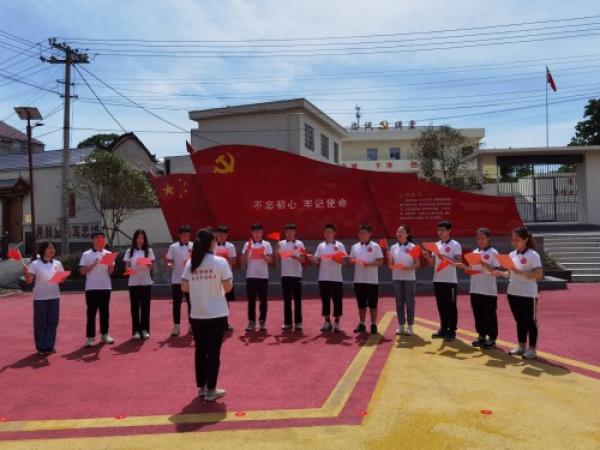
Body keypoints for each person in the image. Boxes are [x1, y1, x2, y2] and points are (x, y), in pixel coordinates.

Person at [181, 228, 233, 402]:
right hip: (217, 313)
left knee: (200, 351)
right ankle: (211, 389)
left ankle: (202, 387)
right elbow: (227, 288)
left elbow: (184, 287)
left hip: (197, 313)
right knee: (213, 352)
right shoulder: (220, 262)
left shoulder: (191, 263)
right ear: (212, 242)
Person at [492, 226, 543, 360]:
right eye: (512, 240)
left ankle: (532, 349)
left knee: (530, 321)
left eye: (517, 240)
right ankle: (521, 346)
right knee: (519, 320)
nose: (514, 242)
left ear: (525, 239)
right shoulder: (512, 255)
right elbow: (509, 273)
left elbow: (539, 274)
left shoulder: (533, 255)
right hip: (513, 292)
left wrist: (522, 272)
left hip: (528, 293)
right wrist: (500, 273)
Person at [423, 220, 464, 342]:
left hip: (450, 281)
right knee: (441, 306)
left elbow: (458, 262)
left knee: (450, 306)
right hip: (437, 280)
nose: (440, 232)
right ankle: (443, 328)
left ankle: (452, 330)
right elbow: (432, 264)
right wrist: (428, 257)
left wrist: (444, 257)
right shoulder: (436, 245)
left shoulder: (455, 245)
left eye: (443, 230)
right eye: (439, 230)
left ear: (449, 231)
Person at [24, 241, 65, 354]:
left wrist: (62, 278)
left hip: (54, 296)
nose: (52, 250)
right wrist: (27, 274)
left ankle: (50, 345)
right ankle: (41, 347)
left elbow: (61, 279)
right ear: (43, 250)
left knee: (53, 322)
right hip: (40, 298)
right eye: (49, 248)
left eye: (53, 248)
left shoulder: (57, 263)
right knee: (40, 323)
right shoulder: (35, 264)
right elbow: (29, 281)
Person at [79, 231, 115, 347]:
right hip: (91, 288)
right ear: (93, 240)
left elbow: (110, 272)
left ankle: (104, 335)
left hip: (105, 287)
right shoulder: (86, 254)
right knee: (91, 313)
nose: (99, 240)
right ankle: (90, 337)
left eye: (101, 238)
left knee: (105, 313)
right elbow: (82, 271)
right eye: (97, 238)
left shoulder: (108, 254)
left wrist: (111, 266)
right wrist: (94, 264)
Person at [465, 227, 499, 349]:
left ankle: (492, 338)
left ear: (488, 238)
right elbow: (472, 269)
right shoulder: (474, 252)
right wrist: (467, 269)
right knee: (477, 313)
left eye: (483, 238)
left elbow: (497, 271)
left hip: (488, 290)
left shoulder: (493, 252)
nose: (480, 240)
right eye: (478, 238)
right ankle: (481, 336)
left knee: (489, 314)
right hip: (475, 288)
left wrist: (484, 264)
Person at [350, 224, 384, 335]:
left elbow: (380, 261)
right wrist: (349, 260)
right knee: (361, 304)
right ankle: (362, 324)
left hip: (372, 280)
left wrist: (369, 264)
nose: (361, 235)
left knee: (373, 304)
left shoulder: (375, 246)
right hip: (358, 280)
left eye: (364, 233)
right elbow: (351, 261)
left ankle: (373, 324)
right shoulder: (355, 247)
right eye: (360, 233)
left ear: (369, 234)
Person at [123, 229, 155, 340]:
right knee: (135, 308)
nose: (140, 240)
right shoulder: (129, 251)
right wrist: (131, 270)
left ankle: (145, 330)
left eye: (142, 238)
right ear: (135, 239)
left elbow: (151, 268)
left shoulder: (149, 251)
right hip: (133, 283)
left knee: (145, 307)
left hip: (146, 282)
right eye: (138, 237)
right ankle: (136, 331)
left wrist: (146, 263)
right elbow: (126, 268)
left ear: (144, 239)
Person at [313, 224, 346, 332]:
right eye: (326, 232)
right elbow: (317, 260)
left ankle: (337, 322)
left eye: (329, 231)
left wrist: (336, 259)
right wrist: (314, 260)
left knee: (337, 301)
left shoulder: (340, 245)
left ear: (334, 233)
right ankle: (327, 321)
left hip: (336, 278)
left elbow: (344, 260)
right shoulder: (321, 246)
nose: (327, 234)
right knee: (325, 301)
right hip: (323, 278)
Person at [388, 225, 420, 336]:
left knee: (410, 302)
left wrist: (408, 268)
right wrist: (391, 264)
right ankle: (401, 325)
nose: (399, 234)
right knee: (399, 302)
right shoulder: (393, 248)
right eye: (398, 231)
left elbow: (417, 263)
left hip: (409, 278)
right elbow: (390, 264)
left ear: (407, 234)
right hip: (396, 278)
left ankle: (410, 326)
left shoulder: (413, 247)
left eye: (402, 232)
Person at [241, 223, 273, 332]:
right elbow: (243, 261)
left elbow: (271, 260)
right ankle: (251, 321)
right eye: (255, 232)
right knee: (251, 300)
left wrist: (264, 256)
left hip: (263, 276)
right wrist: (247, 251)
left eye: (259, 232)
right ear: (252, 233)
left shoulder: (267, 244)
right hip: (251, 276)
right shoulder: (247, 244)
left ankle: (262, 321)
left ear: (262, 232)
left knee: (263, 300)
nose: (257, 234)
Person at [277, 223, 306, 331]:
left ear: (295, 232)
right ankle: (287, 322)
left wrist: (296, 257)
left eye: (291, 231)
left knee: (297, 300)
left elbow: (303, 260)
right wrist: (277, 250)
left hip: (297, 275)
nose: (289, 233)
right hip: (285, 275)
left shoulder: (300, 244)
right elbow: (277, 257)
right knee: (287, 300)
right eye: (287, 232)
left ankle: (298, 322)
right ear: (285, 233)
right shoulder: (281, 243)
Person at [166, 225, 193, 336]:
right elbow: (169, 260)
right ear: (179, 235)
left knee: (191, 304)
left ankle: (192, 325)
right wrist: (170, 265)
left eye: (187, 235)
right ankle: (176, 327)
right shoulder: (173, 247)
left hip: (190, 279)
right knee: (176, 304)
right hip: (177, 279)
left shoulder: (194, 246)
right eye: (183, 235)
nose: (185, 238)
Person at [215, 225, 237, 332]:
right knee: (214, 300)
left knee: (225, 301)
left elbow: (234, 262)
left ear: (227, 235)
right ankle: (215, 322)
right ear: (216, 235)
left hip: (227, 277)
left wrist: (226, 258)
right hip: (214, 277)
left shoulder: (230, 246)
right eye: (219, 234)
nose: (222, 236)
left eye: (224, 234)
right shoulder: (212, 246)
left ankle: (225, 322)